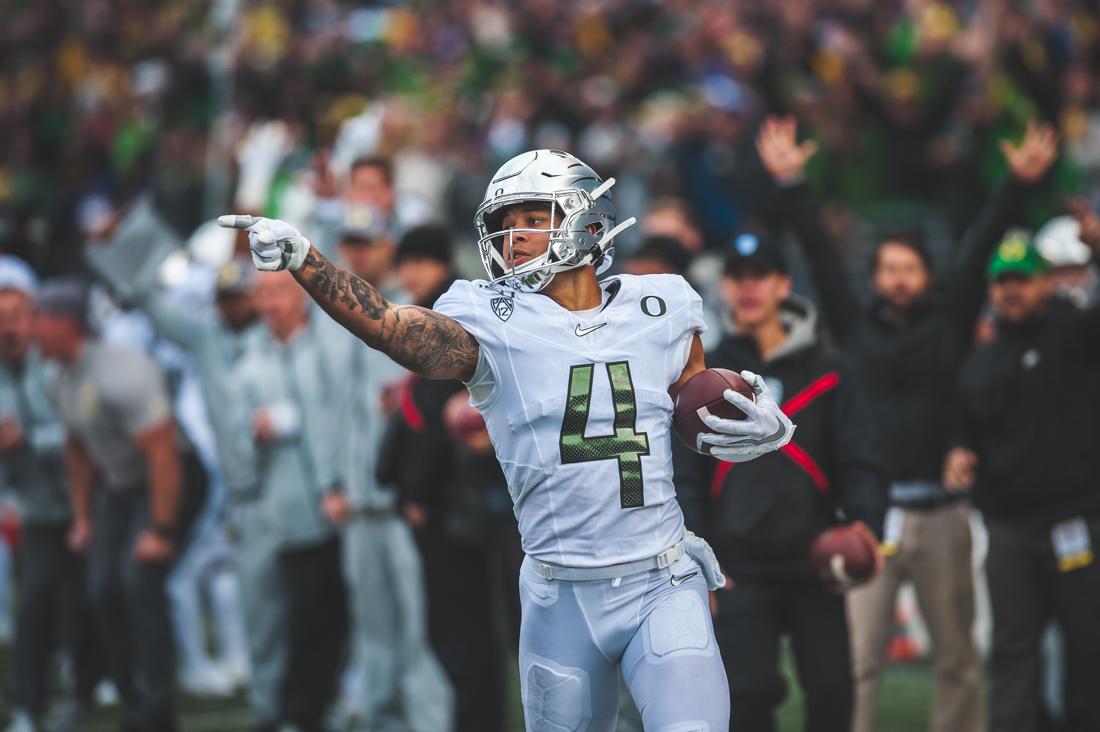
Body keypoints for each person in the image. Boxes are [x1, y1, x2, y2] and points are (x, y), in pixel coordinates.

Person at [219, 148, 796, 730]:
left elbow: (693, 407)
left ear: (582, 218)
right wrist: (306, 259)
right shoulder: (490, 316)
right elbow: (393, 330)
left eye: (529, 217)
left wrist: (759, 424)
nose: (513, 235)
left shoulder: (663, 304)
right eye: (505, 222)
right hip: (559, 594)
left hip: (662, 579)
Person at [752, 115, 1059, 732]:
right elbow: (818, 251)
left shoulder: (950, 321)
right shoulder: (854, 324)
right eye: (887, 268)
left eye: (908, 269)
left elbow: (978, 252)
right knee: (860, 660)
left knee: (957, 659)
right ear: (874, 277)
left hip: (943, 513)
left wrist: (1016, 188)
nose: (896, 279)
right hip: (870, 519)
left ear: (926, 275)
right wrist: (791, 186)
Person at [677, 231, 887, 732]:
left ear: (783, 285)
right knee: (745, 699)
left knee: (834, 692)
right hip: (737, 565)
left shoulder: (829, 369)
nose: (747, 289)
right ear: (724, 287)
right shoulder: (705, 376)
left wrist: (865, 524)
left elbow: (860, 458)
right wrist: (694, 561)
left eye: (760, 278)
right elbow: (684, 472)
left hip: (815, 558)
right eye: (736, 278)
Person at [944, 228, 1100, 732]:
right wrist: (960, 452)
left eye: (1023, 279)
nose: (1012, 290)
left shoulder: (1076, 334)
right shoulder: (983, 359)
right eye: (1003, 281)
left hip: (1076, 520)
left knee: (1090, 647)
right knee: (1013, 651)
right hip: (1010, 528)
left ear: (1046, 282)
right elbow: (967, 424)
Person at [36, 279, 183, 732]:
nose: (31, 329)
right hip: (120, 485)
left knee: (138, 581)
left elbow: (164, 452)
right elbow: (77, 449)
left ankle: (158, 709)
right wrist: (83, 516)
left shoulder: (121, 369)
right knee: (101, 589)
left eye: (39, 319)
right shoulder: (58, 375)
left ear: (65, 323)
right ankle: (132, 697)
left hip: (166, 477)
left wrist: (160, 528)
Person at [377, 224, 500, 731]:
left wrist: (418, 492)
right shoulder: (446, 309)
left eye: (417, 261)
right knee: (461, 630)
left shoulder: (445, 316)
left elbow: (438, 420)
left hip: (452, 505)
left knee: (460, 631)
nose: (408, 272)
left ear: (438, 264)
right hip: (456, 502)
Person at [233, 270, 349, 732]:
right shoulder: (248, 358)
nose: (270, 303)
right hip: (276, 514)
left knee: (327, 621)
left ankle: (317, 706)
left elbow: (341, 418)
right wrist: (255, 432)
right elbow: (235, 436)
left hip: (332, 508)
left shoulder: (327, 348)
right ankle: (281, 710)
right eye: (263, 294)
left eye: (280, 291)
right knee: (281, 622)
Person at [0, 260, 98, 732]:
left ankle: (85, 687)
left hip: (89, 502)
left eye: (17, 316)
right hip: (38, 508)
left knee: (88, 601)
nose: (9, 327)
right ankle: (28, 707)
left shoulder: (57, 358)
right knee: (33, 604)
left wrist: (28, 440)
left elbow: (86, 427)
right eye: (1, 319)